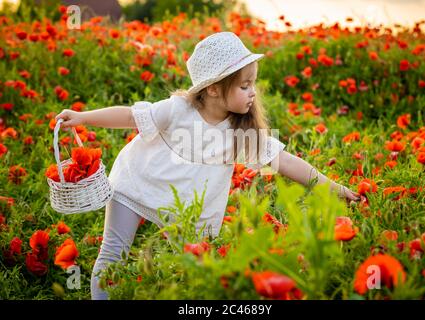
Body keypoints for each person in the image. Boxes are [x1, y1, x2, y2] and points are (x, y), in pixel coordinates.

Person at [54, 32, 360, 300]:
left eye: (253, 83)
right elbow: (130, 116)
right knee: (112, 253)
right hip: (137, 184)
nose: (252, 92)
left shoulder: (242, 131)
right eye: (244, 85)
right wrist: (83, 117)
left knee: (183, 268)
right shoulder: (177, 110)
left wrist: (333, 188)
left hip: (184, 209)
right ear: (213, 88)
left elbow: (285, 162)